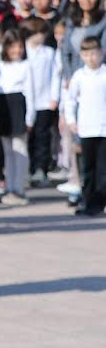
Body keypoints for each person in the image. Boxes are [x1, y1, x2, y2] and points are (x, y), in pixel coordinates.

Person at [0, 29, 35, 206]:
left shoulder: (26, 66)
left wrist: (30, 118)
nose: (17, 50)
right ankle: (10, 186)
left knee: (20, 147)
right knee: (8, 150)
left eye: (20, 46)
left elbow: (30, 93)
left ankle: (19, 187)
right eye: (13, 46)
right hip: (3, 105)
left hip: (18, 105)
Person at [63, 36, 105, 216]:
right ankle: (88, 201)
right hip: (86, 128)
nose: (91, 58)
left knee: (103, 169)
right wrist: (71, 120)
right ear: (81, 55)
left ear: (101, 53)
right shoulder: (79, 76)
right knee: (88, 168)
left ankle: (100, 202)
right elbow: (70, 100)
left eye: (94, 54)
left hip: (103, 129)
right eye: (87, 54)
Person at [21, 16, 60, 186]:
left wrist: (54, 97)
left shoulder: (49, 53)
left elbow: (56, 75)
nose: (41, 36)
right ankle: (27, 168)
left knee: (43, 137)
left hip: (44, 101)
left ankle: (41, 168)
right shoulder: (22, 52)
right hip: (25, 101)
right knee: (27, 137)